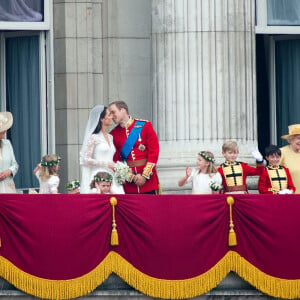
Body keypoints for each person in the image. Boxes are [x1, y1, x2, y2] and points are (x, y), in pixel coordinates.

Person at [109, 100, 159, 194]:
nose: (111, 116)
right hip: (129, 185)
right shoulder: (113, 134)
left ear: (122, 110)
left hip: (148, 182)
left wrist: (144, 176)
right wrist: (131, 177)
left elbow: (154, 152)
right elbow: (116, 160)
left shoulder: (145, 126)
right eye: (110, 114)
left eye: (113, 112)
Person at [80, 105, 124, 194]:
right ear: (102, 119)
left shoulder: (110, 137)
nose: (112, 117)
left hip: (112, 175)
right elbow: (85, 159)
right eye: (109, 115)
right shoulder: (93, 137)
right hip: (98, 175)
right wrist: (107, 164)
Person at [0, 111, 18, 193]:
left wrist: (9, 171)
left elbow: (15, 165)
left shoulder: (7, 143)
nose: (3, 136)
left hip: (8, 187)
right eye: (2, 133)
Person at [280, 124, 300, 194]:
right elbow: (272, 171)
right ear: (290, 139)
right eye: (298, 138)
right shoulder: (282, 152)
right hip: (290, 197)